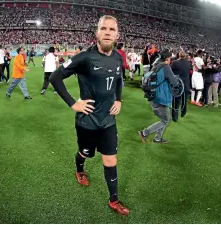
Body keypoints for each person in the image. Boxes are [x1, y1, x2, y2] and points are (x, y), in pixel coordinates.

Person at [49, 15, 129, 216]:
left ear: (117, 35)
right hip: (88, 121)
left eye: (112, 29)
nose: (108, 32)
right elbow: (55, 76)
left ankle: (114, 200)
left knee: (110, 160)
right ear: (97, 33)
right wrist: (73, 103)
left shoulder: (118, 57)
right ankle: (79, 168)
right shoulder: (84, 57)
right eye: (104, 29)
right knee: (85, 153)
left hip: (108, 121)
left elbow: (119, 79)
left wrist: (118, 100)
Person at [138, 49, 178, 143]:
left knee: (163, 119)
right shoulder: (166, 67)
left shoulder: (156, 65)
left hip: (153, 95)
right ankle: (144, 133)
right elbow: (174, 82)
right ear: (167, 58)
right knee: (165, 120)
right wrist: (176, 79)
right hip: (161, 97)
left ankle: (158, 138)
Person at [171, 51, 191, 122]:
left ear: (179, 55)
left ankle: (175, 117)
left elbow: (171, 72)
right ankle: (183, 112)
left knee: (176, 100)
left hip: (178, 83)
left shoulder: (175, 62)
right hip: (186, 83)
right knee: (184, 99)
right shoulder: (188, 63)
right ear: (185, 56)